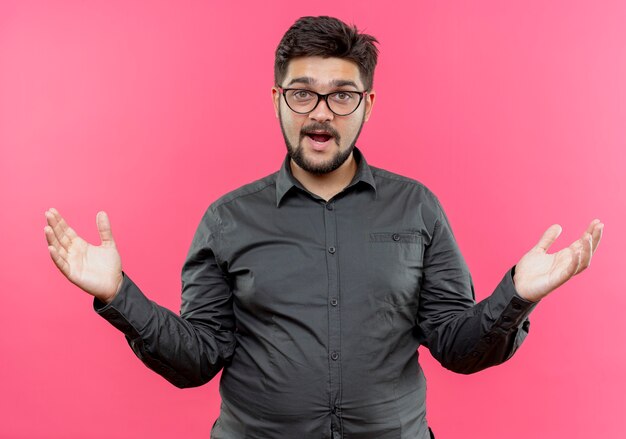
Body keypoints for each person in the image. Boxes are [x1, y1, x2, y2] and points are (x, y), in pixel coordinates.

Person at [44, 16, 603, 439]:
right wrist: (119, 295)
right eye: (302, 93)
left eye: (342, 95)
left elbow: (456, 346)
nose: (321, 112)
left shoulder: (418, 209)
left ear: (367, 104)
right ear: (278, 100)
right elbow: (197, 359)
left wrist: (517, 296)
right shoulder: (227, 219)